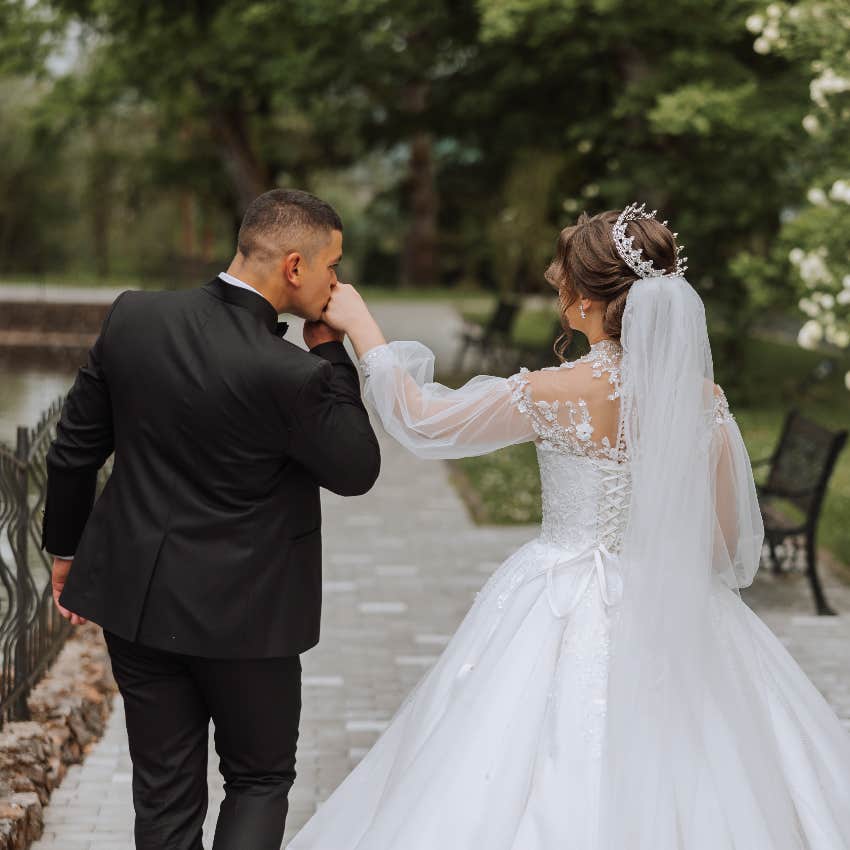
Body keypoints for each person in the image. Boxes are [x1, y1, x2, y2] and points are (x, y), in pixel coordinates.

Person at [287, 204, 850, 849]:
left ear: (586, 301)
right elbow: (723, 541)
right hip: (675, 605)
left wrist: (361, 326)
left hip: (559, 599)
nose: (557, 292)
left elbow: (422, 421)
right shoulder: (705, 402)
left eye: (561, 283)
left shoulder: (558, 391)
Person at [41, 188, 381, 850]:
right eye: (331, 265)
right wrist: (331, 353)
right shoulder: (293, 373)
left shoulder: (133, 317)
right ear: (292, 267)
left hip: (137, 604)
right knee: (258, 779)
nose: (336, 281)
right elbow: (356, 469)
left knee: (163, 792)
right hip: (248, 622)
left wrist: (65, 552)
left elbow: (73, 452)